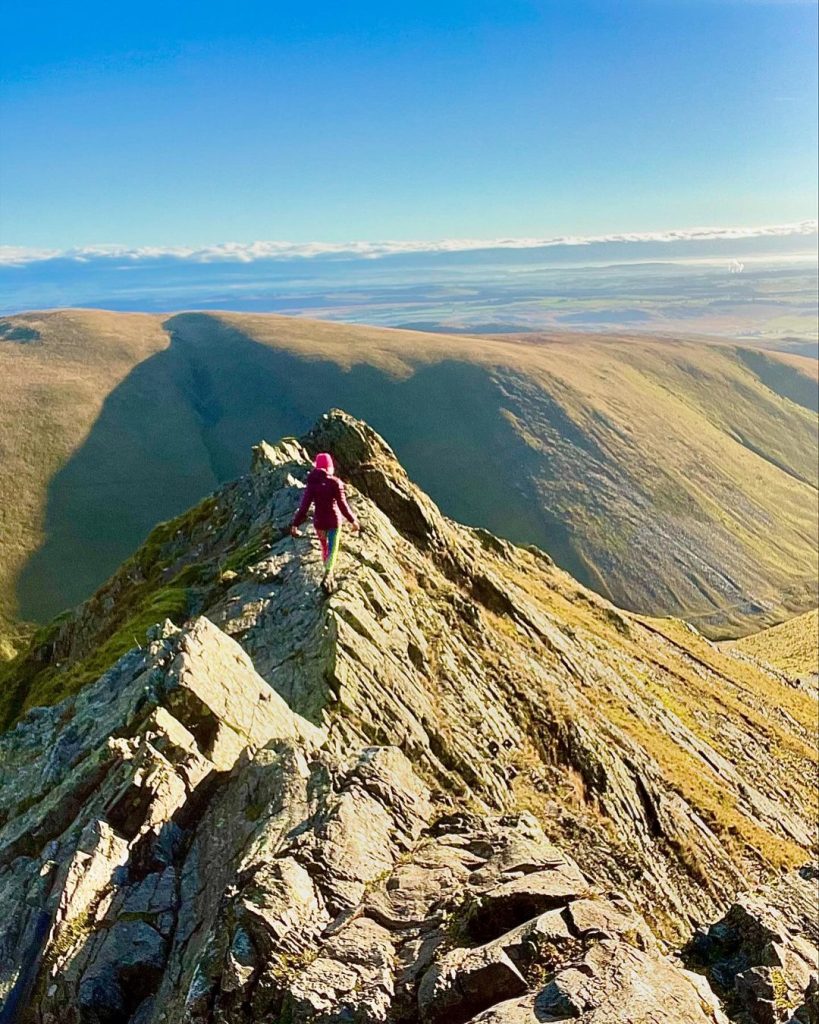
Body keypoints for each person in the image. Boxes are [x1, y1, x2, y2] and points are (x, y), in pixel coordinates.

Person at [290, 452, 359, 591]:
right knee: (333, 549)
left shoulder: (312, 483)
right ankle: (328, 575)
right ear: (330, 467)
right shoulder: (335, 483)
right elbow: (342, 505)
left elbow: (304, 507)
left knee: (324, 548)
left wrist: (295, 524)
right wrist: (353, 520)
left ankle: (328, 577)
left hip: (319, 523)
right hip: (334, 522)